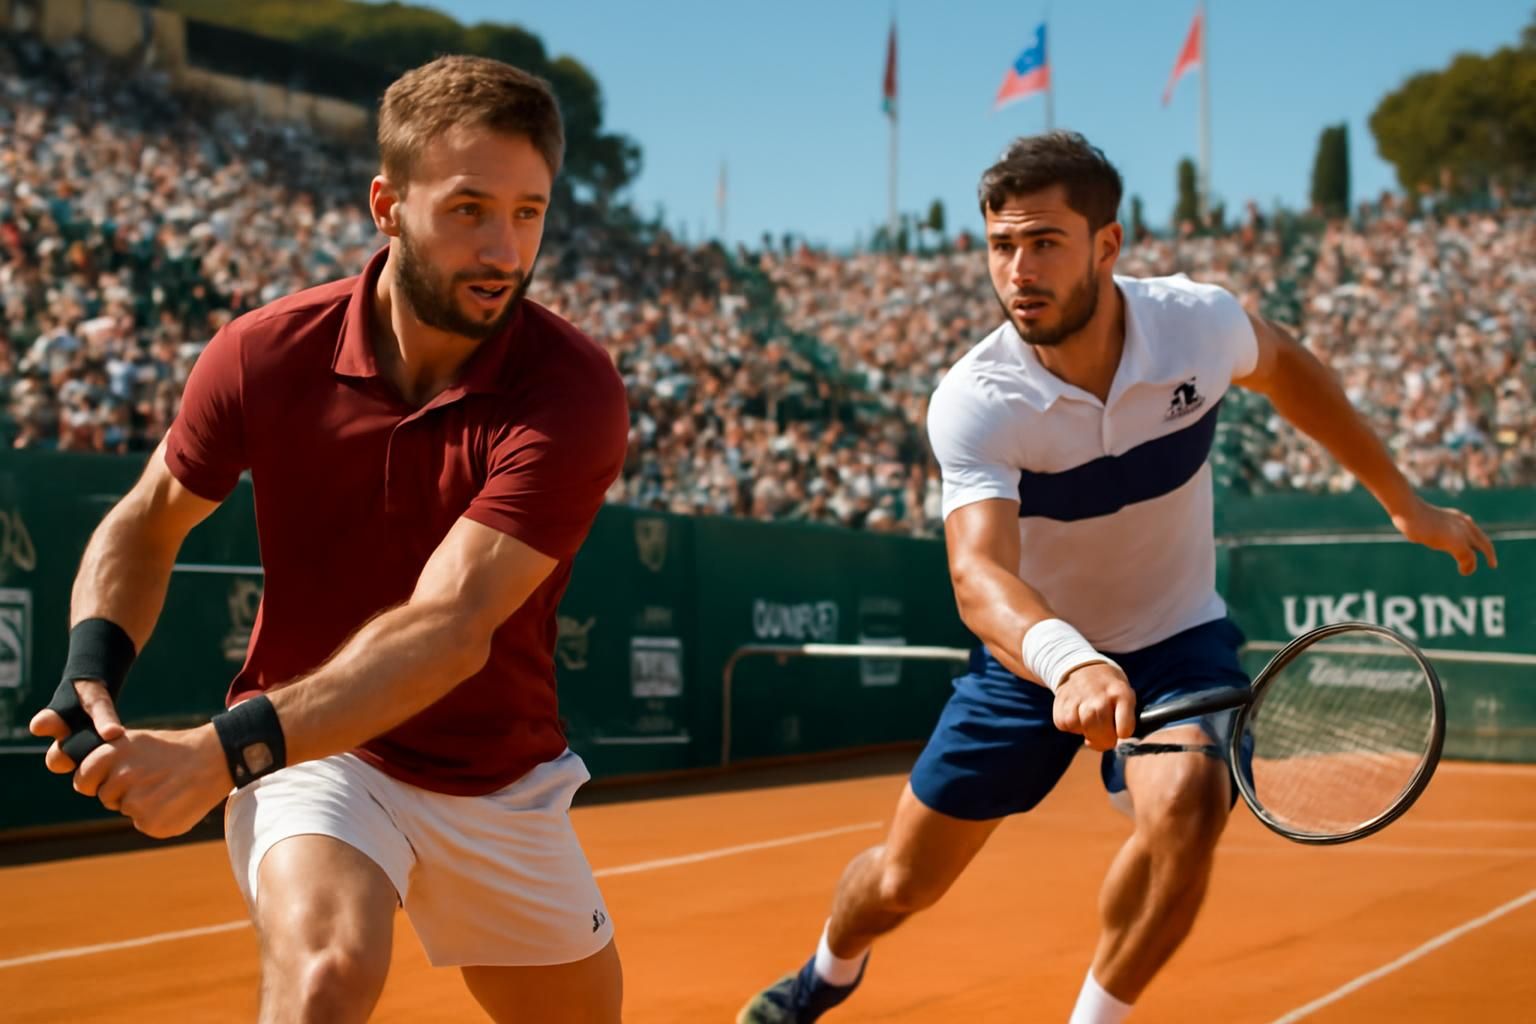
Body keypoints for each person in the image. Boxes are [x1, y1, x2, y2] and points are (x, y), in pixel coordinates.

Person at [739, 131, 1497, 1024]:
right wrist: (1071, 662)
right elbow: (978, 573)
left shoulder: (1197, 325)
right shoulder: (977, 399)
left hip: (1178, 642)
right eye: (1001, 246)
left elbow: (1287, 367)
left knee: (1187, 812)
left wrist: (1403, 502)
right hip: (1030, 661)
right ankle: (826, 974)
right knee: (903, 880)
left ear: (1108, 244)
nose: (1018, 271)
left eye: (1044, 242)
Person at [29, 55, 628, 1024]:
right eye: (468, 208)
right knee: (325, 978)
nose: (504, 249)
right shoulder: (262, 352)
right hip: (310, 749)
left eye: (529, 213)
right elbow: (148, 517)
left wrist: (213, 756)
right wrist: (90, 665)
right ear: (387, 205)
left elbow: (448, 627)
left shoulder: (574, 391)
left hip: (498, 778)